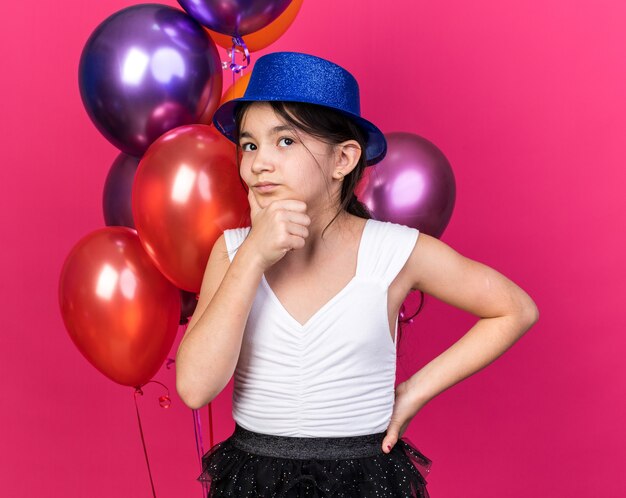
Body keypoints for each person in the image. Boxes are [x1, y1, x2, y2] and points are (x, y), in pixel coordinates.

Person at [175, 51, 539, 497]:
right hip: (254, 479)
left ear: (343, 159)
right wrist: (253, 256)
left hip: (363, 480)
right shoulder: (233, 252)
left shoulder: (394, 251)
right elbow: (195, 389)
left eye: (285, 141)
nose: (259, 162)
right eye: (249, 144)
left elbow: (514, 309)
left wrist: (414, 390)